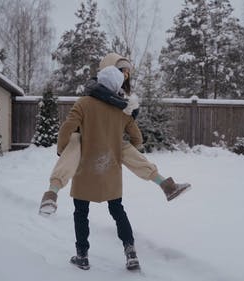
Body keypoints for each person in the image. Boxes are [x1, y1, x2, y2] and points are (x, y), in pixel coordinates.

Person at [39, 53, 190, 216]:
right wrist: (135, 144)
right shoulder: (102, 94)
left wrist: (62, 149)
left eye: (127, 72)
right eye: (122, 71)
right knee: (76, 142)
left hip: (107, 141)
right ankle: (51, 194)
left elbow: (130, 127)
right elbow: (132, 131)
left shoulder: (117, 99)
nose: (125, 75)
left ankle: (167, 186)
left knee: (117, 146)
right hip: (87, 140)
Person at [57, 65, 141, 270]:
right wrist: (129, 151)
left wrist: (62, 151)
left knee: (80, 211)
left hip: (86, 167)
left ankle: (82, 255)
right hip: (110, 167)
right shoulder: (122, 109)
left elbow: (67, 128)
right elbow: (137, 138)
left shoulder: (83, 103)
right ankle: (130, 252)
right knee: (117, 209)